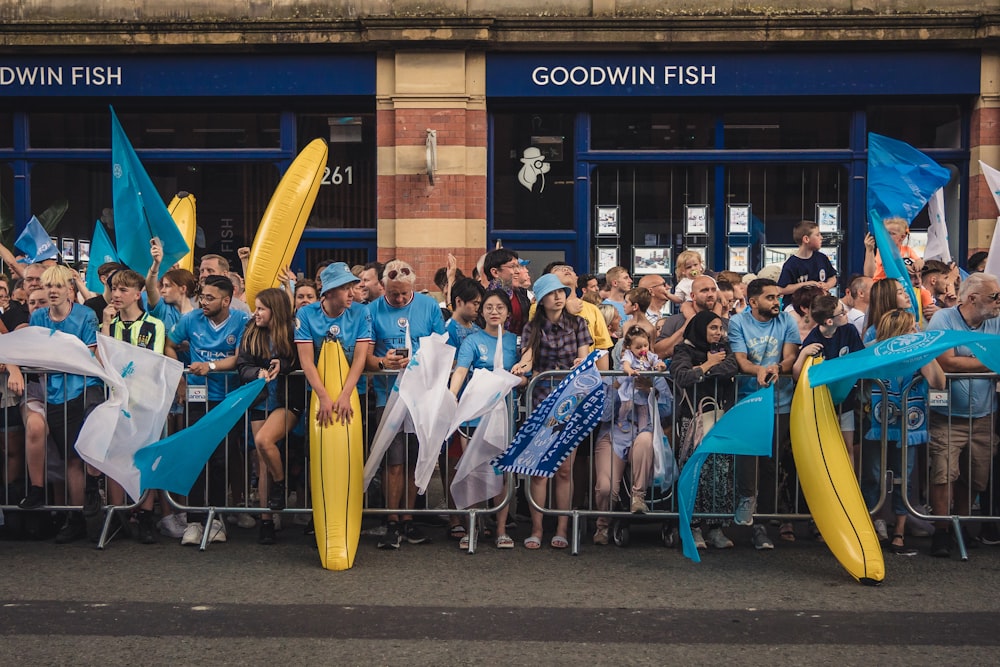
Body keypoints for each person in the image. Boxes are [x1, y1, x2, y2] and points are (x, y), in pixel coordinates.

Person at [14, 265, 104, 543]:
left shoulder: (85, 315)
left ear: (69, 289)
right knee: (68, 459)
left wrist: (54, 357)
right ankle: (74, 516)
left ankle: (86, 509)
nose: (52, 291)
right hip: (53, 392)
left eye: (57, 286)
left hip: (84, 391)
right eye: (48, 286)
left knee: (80, 456)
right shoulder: (38, 316)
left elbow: (90, 354)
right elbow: (32, 351)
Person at [165, 274, 251, 545]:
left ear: (227, 300)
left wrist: (210, 366)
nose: (203, 301)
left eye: (210, 298)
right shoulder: (190, 320)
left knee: (221, 460)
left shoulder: (241, 321)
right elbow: (169, 344)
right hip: (196, 398)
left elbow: (240, 357)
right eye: (202, 296)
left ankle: (215, 518)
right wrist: (179, 375)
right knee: (195, 458)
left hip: (228, 399)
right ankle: (194, 521)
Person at [366, 259, 446, 549]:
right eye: (393, 294)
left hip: (421, 394)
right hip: (388, 395)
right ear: (383, 287)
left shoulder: (429, 306)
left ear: (413, 286)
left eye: (403, 294)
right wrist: (381, 361)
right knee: (393, 462)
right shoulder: (371, 310)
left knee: (415, 460)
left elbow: (441, 347)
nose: (399, 299)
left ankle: (409, 519)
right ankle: (391, 520)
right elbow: (364, 355)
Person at [512, 273, 593, 550]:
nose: (558, 297)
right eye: (552, 293)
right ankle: (536, 528)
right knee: (538, 468)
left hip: (570, 399)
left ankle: (561, 527)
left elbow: (584, 354)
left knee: (564, 469)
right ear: (541, 299)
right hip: (542, 399)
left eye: (562, 292)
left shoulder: (579, 324)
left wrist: (582, 361)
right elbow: (528, 356)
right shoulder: (532, 328)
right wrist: (522, 366)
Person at [926, 272, 1000, 557]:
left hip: (984, 415)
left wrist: (968, 360)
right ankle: (942, 531)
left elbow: (959, 361)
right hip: (947, 415)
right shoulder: (944, 319)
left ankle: (962, 525)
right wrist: (990, 362)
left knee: (975, 476)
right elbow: (946, 362)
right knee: (944, 474)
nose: (998, 302)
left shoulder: (995, 322)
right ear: (972, 298)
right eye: (993, 297)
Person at [860, 309, 945, 556]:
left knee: (904, 477)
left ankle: (899, 531)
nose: (915, 332)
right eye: (911, 328)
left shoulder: (919, 352)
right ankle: (869, 528)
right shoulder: (873, 349)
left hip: (910, 424)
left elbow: (938, 382)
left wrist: (925, 352)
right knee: (873, 475)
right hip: (877, 421)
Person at [728, 278, 801, 549]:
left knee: (771, 462)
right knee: (749, 458)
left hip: (780, 402)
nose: (776, 302)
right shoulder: (738, 322)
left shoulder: (787, 321)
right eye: (770, 297)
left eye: (778, 297)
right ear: (753, 301)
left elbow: (791, 356)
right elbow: (741, 360)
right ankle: (747, 500)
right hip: (748, 400)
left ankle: (762, 524)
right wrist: (758, 370)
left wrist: (777, 367)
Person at [448, 289, 524, 549]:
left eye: (500, 308)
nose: (494, 312)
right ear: (482, 312)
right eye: (489, 307)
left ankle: (501, 529)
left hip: (504, 416)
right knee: (472, 471)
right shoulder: (471, 340)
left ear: (507, 312)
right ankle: (472, 527)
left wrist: (518, 378)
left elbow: (526, 374)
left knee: (501, 473)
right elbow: (460, 371)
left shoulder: (516, 341)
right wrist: (450, 398)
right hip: (473, 416)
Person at [100, 269, 168, 543]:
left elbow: (153, 361)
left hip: (145, 400)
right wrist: (105, 326)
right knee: (115, 455)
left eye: (123, 290)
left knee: (145, 456)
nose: (116, 295)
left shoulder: (154, 325)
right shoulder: (111, 324)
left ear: (137, 294)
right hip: (116, 399)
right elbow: (105, 361)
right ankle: (119, 515)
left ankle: (145, 513)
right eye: (114, 289)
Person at [237, 288, 304, 545]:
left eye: (262, 308)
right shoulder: (250, 331)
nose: (256, 313)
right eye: (256, 308)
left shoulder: (293, 331)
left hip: (286, 403)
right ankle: (266, 521)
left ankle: (280, 483)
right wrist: (258, 373)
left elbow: (302, 361)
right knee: (262, 460)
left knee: (265, 441)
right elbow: (242, 366)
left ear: (275, 310)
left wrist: (282, 366)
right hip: (260, 401)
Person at [670, 310, 740, 550]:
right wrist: (708, 364)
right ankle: (693, 526)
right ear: (700, 329)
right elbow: (681, 376)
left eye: (720, 328)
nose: (718, 332)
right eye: (712, 328)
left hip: (720, 418)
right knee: (695, 472)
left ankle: (716, 527)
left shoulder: (726, 349)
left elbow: (730, 368)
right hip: (694, 421)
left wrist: (701, 370)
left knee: (720, 473)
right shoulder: (684, 350)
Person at [792, 295, 864, 467]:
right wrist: (803, 353)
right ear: (829, 321)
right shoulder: (814, 340)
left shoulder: (849, 331)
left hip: (845, 401)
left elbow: (861, 358)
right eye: (842, 312)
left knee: (848, 447)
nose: (846, 313)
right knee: (823, 449)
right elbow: (796, 375)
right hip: (821, 404)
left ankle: (849, 489)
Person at [654, 275, 719, 359]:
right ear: (692, 296)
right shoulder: (673, 321)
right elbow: (658, 352)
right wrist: (688, 325)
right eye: (704, 291)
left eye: (713, 290)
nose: (710, 294)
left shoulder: (724, 322)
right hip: (682, 369)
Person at [616, 326, 666, 431]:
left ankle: (642, 430)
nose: (643, 349)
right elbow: (626, 364)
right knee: (627, 404)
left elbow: (657, 361)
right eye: (638, 347)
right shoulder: (629, 355)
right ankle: (622, 419)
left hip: (642, 389)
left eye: (645, 345)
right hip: (630, 385)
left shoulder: (650, 355)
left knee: (643, 408)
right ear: (629, 347)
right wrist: (629, 370)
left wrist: (661, 365)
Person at [777, 220, 838, 297]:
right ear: (806, 239)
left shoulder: (822, 258)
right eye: (817, 235)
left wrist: (827, 285)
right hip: (795, 304)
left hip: (820, 302)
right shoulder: (792, 264)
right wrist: (806, 284)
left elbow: (832, 277)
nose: (821, 238)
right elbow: (781, 289)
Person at [483, 248, 531, 336]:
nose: (517, 271)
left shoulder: (522, 294)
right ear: (495, 272)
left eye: (518, 266)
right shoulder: (484, 298)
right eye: (512, 266)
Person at [864, 217, 920, 282]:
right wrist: (869, 250)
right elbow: (869, 275)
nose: (887, 236)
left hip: (901, 287)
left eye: (892, 233)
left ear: (902, 237)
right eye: (885, 233)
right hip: (881, 286)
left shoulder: (908, 250)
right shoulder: (881, 251)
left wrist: (918, 264)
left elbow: (920, 262)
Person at [862, 278, 913, 344]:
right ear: (886, 298)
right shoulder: (872, 333)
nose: (907, 295)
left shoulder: (911, 322)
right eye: (900, 293)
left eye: (905, 291)